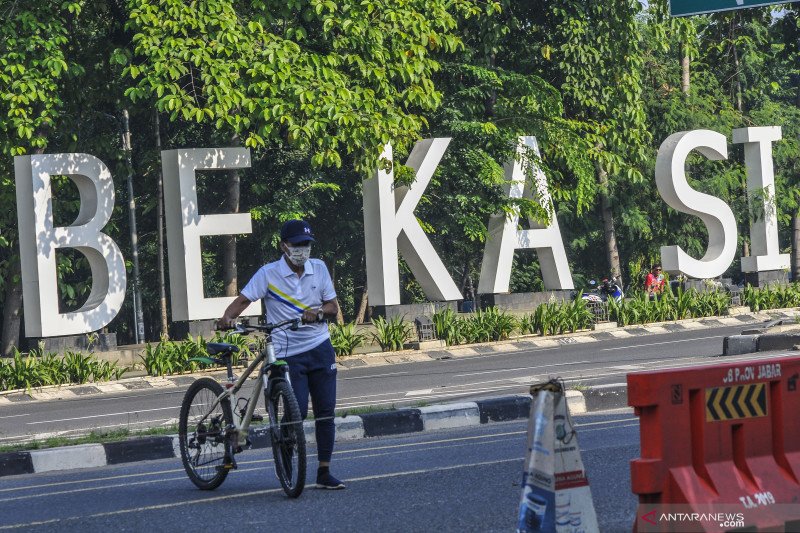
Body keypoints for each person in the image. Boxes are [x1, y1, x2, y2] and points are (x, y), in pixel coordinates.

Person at [217, 219, 344, 490]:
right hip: (289, 352)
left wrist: (319, 313)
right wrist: (227, 317)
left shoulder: (318, 269)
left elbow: (333, 306)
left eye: (307, 245)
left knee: (325, 412)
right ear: (283, 246)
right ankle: (286, 467)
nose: (303, 250)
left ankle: (324, 471)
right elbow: (244, 300)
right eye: (298, 245)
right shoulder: (268, 273)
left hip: (320, 347)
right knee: (295, 411)